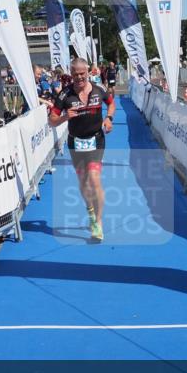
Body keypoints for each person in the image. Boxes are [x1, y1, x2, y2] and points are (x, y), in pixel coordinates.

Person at [48, 58, 116, 242]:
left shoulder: (98, 90)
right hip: (76, 142)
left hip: (96, 139)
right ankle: (90, 211)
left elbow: (111, 103)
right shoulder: (64, 95)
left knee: (94, 180)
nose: (79, 77)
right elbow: (51, 120)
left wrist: (108, 118)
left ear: (88, 72)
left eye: (82, 74)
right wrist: (64, 118)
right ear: (71, 74)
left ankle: (98, 224)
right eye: (75, 74)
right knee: (84, 182)